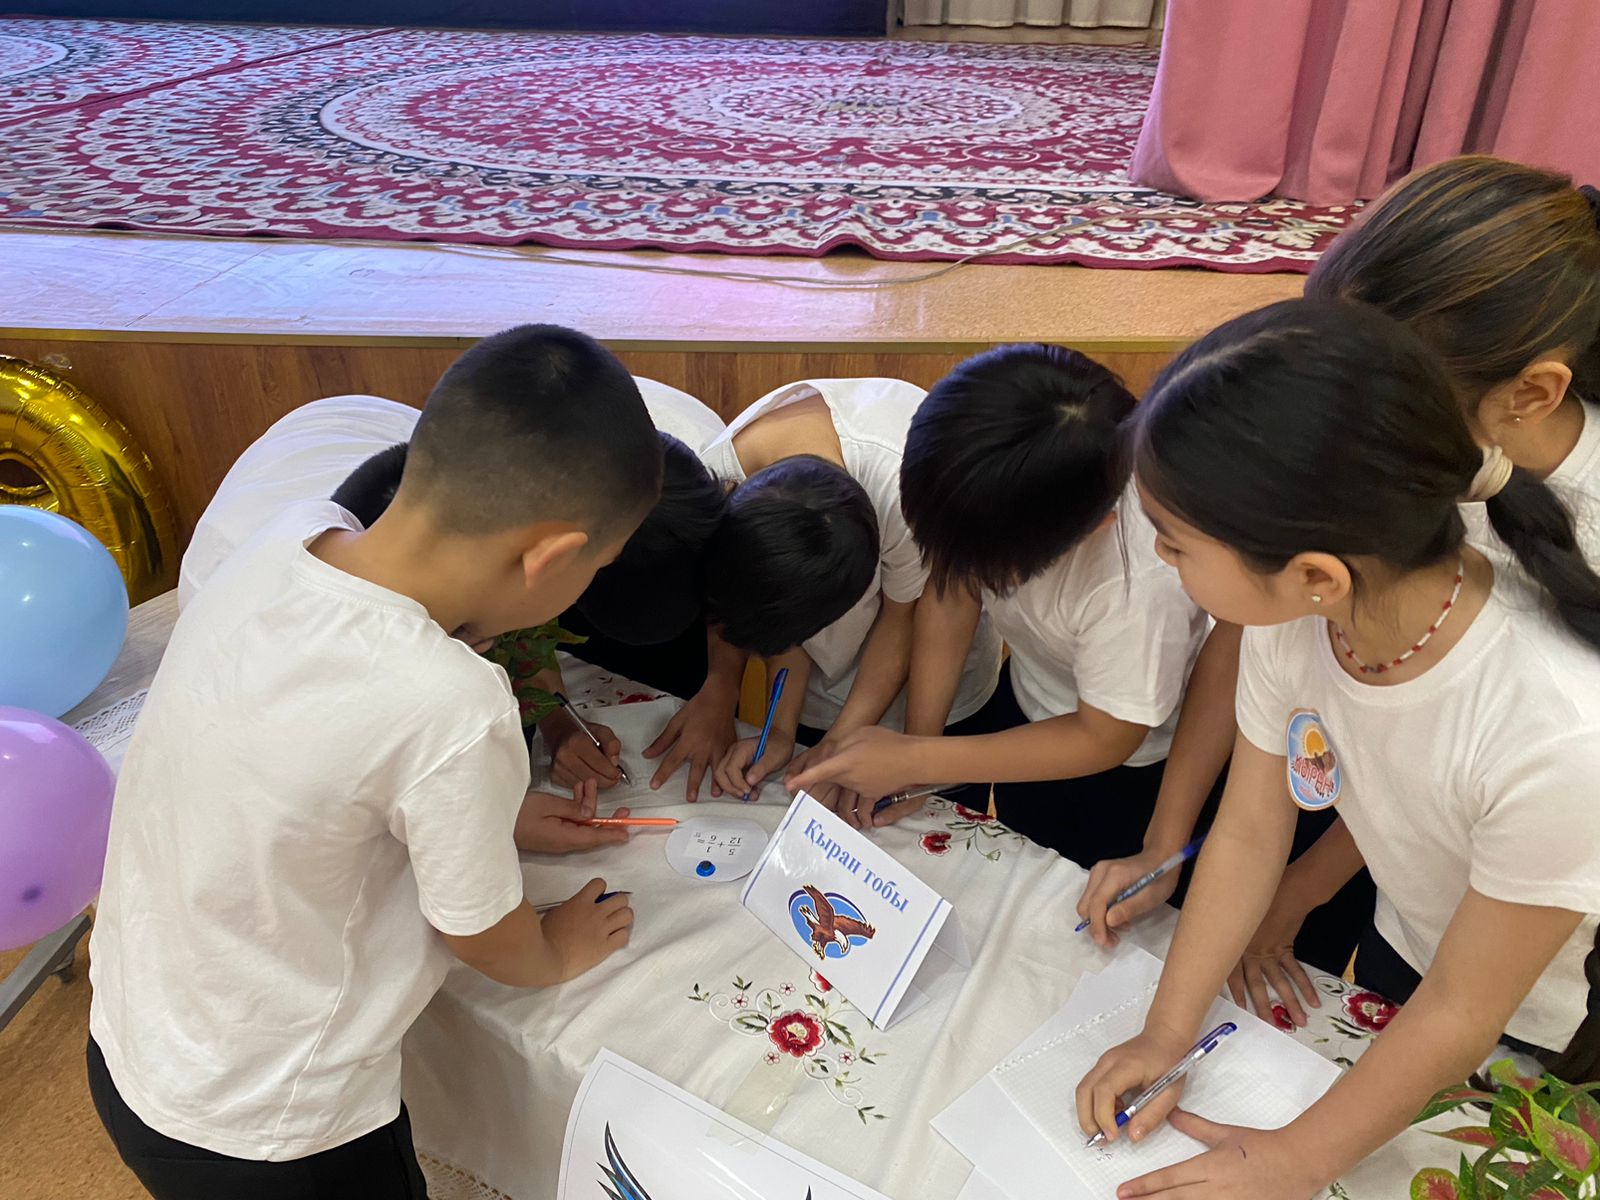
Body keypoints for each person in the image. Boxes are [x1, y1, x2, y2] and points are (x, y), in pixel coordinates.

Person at [87, 325, 660, 1198]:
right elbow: (481, 933)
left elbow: (293, 758)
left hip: (133, 1047)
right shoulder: (455, 700)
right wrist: (554, 950)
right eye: (600, 567)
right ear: (548, 556)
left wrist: (491, 816)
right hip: (277, 1132)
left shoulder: (291, 535)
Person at [1077, 299, 1600, 1200]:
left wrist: (1297, 1159)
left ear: (1317, 573)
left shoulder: (1555, 730)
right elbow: (1250, 831)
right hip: (1412, 934)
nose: (1160, 558)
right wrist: (1166, 1033)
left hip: (1550, 1022)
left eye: (1175, 542)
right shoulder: (1300, 615)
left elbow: (1466, 1008)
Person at [1076, 155, 1600, 1004]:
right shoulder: (1365, 517)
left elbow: (1470, 748)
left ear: (1531, 394)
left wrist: (1302, 888)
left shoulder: (1538, 655)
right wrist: (1194, 853)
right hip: (1409, 875)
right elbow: (1282, 663)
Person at [179, 376, 728, 791]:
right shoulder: (415, 684)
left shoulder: (472, 536)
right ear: (549, 560)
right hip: (317, 458)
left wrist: (556, 718)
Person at [788, 346, 1209, 855]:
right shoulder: (989, 483)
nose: (967, 570)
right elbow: (952, 592)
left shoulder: (1140, 584)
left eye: (990, 566)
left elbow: (1106, 738)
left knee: (1067, 876)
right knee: (1015, 833)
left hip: (1130, 766)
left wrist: (916, 760)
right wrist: (918, 747)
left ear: (1094, 525)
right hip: (1032, 696)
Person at [648, 377, 1005, 809]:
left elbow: (905, 618)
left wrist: (904, 755)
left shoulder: (906, 487)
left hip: (934, 688)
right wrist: (777, 727)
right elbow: (770, 612)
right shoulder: (722, 481)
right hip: (827, 690)